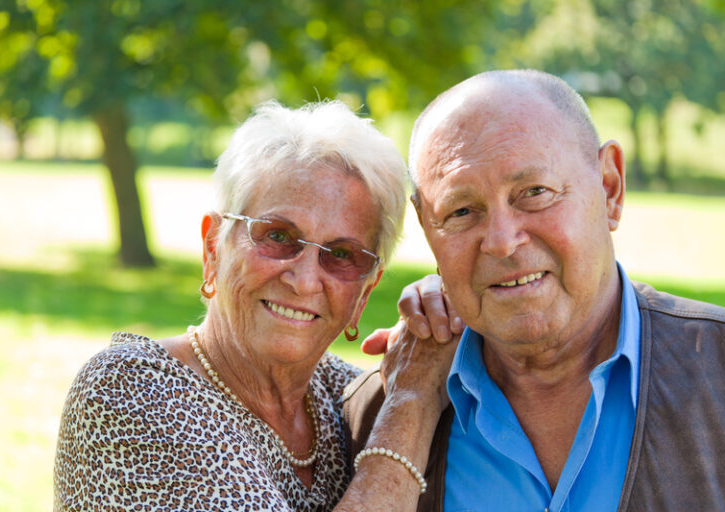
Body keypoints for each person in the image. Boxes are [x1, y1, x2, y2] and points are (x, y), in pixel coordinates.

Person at [344, 69, 725, 511]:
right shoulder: (374, 419)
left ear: (610, 188)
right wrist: (407, 406)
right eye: (462, 210)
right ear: (429, 230)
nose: (503, 241)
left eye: (535, 192)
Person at [54, 100, 456, 511]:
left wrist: (443, 325)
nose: (303, 280)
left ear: (364, 294)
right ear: (213, 247)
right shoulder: (129, 391)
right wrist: (411, 404)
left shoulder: (346, 399)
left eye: (340, 255)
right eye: (278, 237)